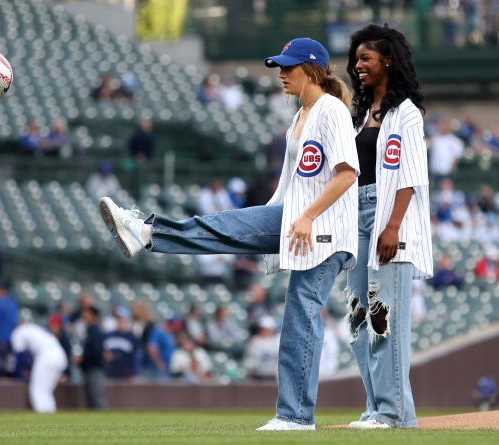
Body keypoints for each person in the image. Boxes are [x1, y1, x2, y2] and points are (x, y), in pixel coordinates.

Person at [99, 37, 359, 430]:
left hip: (326, 231)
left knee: (300, 316)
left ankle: (296, 417)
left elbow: (346, 174)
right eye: (280, 66)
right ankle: (148, 233)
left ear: (312, 70)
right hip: (295, 221)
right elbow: (289, 187)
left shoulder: (331, 111)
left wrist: (305, 217)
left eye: (289, 66)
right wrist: (264, 227)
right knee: (227, 226)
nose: (281, 74)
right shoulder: (299, 116)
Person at [344, 23, 433, 430]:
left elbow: (411, 176)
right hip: (356, 217)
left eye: (366, 58)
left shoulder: (406, 113)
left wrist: (393, 227)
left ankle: (390, 412)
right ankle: (383, 410)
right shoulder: (359, 113)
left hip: (385, 215)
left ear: (388, 60)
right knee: (359, 319)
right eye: (356, 58)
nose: (358, 65)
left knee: (384, 321)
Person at [10, 323, 68, 413]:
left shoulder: (17, 332)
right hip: (60, 356)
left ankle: (41, 415)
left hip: (46, 356)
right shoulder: (33, 328)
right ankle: (51, 415)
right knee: (46, 391)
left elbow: (20, 357)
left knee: (37, 389)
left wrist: (17, 375)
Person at [73, 305, 107, 409]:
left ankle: (104, 421)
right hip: (89, 369)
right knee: (91, 398)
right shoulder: (89, 330)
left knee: (96, 397)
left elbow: (95, 352)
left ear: (93, 316)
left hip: (94, 369)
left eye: (87, 313)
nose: (84, 316)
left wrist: (82, 359)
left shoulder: (95, 331)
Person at [102, 306, 140, 379]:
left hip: (126, 375)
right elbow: (104, 352)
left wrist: (135, 373)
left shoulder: (132, 337)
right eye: (118, 319)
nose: (120, 321)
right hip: (110, 374)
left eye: (122, 319)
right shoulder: (108, 336)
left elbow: (135, 357)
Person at [242, 315, 280, 381]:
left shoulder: (276, 341)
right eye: (263, 329)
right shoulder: (254, 341)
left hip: (273, 376)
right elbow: (249, 360)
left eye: (268, 329)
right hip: (257, 376)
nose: (265, 331)